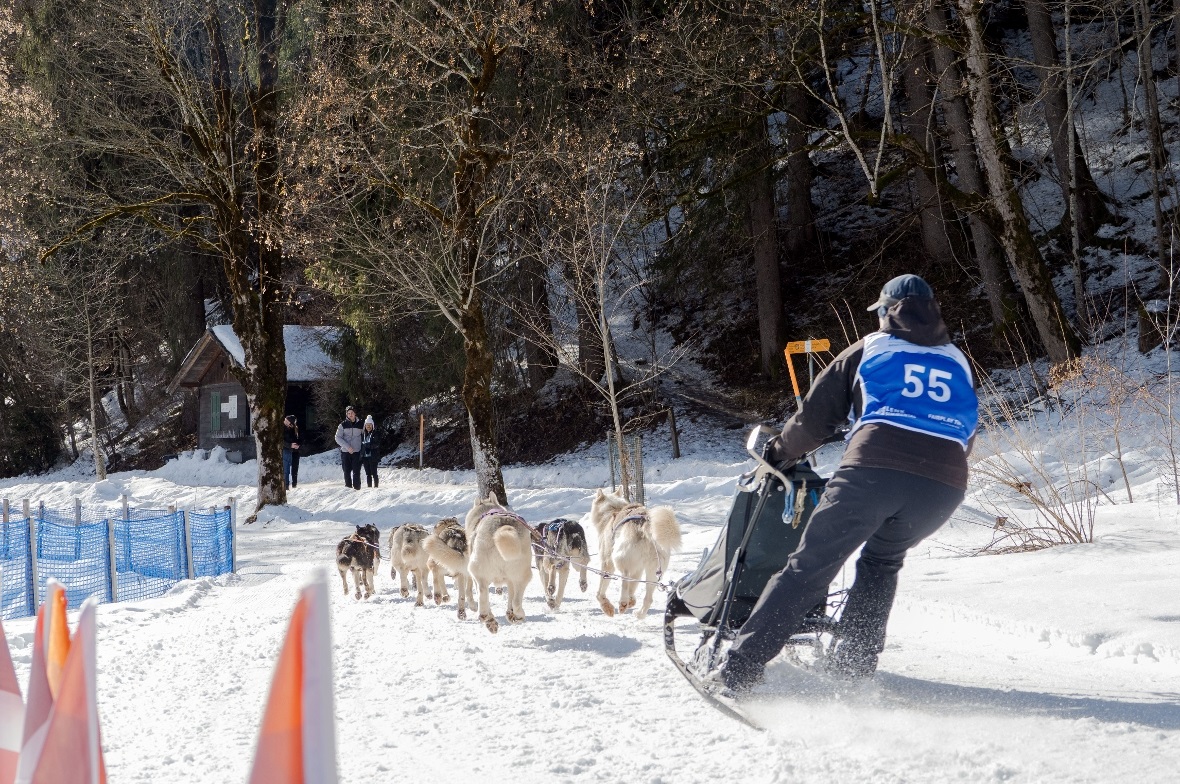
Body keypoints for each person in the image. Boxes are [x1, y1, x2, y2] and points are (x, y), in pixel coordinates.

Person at [716, 274, 979, 693]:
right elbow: (965, 431)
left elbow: (815, 418)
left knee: (810, 567)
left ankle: (737, 671)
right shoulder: (956, 360)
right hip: (944, 486)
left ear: (889, 312)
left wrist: (780, 452)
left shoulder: (872, 348)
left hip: (874, 470)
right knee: (883, 563)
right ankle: (853, 669)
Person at [334, 405, 364, 490]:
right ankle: (348, 489)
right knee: (346, 472)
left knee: (356, 471)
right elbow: (337, 438)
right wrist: (347, 447)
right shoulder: (342, 425)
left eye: (352, 413)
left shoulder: (361, 424)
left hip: (357, 452)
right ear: (346, 414)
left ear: (355, 414)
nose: (350, 415)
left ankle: (357, 489)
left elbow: (365, 436)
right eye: (348, 413)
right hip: (345, 452)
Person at [361, 414, 381, 488]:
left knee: (374, 473)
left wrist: (367, 445)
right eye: (367, 425)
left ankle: (376, 487)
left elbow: (376, 444)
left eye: (370, 425)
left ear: (372, 425)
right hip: (365, 457)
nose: (368, 427)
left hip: (373, 456)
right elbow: (361, 444)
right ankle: (369, 487)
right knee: (368, 473)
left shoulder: (376, 433)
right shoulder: (363, 434)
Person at [282, 414, 301, 490]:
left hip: (295, 450)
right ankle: (286, 485)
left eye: (287, 421)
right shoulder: (282, 428)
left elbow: (298, 438)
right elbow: (281, 441)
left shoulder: (295, 428)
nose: (285, 422)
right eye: (286, 420)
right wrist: (290, 445)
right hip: (286, 449)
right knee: (286, 468)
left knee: (295, 467)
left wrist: (298, 444)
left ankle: (294, 484)